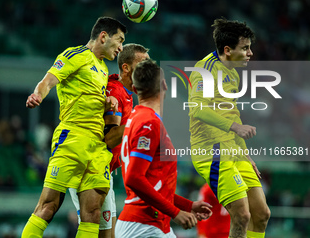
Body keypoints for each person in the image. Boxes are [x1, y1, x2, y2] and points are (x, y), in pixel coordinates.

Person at [21, 16, 126, 238]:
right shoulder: (75, 55)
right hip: (72, 139)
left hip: (97, 147)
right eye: (120, 40)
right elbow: (48, 80)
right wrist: (37, 95)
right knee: (48, 207)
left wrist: (108, 102)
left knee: (93, 213)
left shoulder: (103, 69)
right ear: (103, 36)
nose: (121, 47)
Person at [188, 18, 270, 238]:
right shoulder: (204, 71)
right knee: (242, 215)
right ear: (227, 49)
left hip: (234, 149)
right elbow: (197, 109)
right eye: (245, 48)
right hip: (211, 150)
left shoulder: (232, 71)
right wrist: (235, 127)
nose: (250, 53)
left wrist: (245, 153)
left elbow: (231, 113)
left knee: (261, 214)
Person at [115, 59, 213, 238]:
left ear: (135, 90)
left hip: (151, 224)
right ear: (164, 86)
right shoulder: (149, 124)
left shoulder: (137, 118)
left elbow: (154, 185)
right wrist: (175, 213)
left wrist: (188, 206)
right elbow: (134, 178)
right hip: (143, 226)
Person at [69, 43, 150, 238]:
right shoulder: (115, 91)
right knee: (94, 230)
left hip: (103, 170)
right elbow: (109, 137)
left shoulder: (128, 96)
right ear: (126, 68)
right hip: (88, 167)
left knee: (107, 235)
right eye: (143, 63)